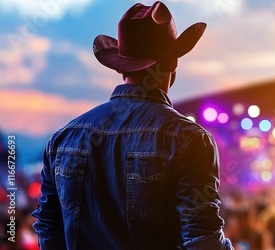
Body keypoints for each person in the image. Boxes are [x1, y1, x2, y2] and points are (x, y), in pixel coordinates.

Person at [31, 2, 233, 249]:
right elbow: (204, 241)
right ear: (173, 64)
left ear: (120, 66)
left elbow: (48, 227)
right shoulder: (189, 140)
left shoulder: (63, 139)